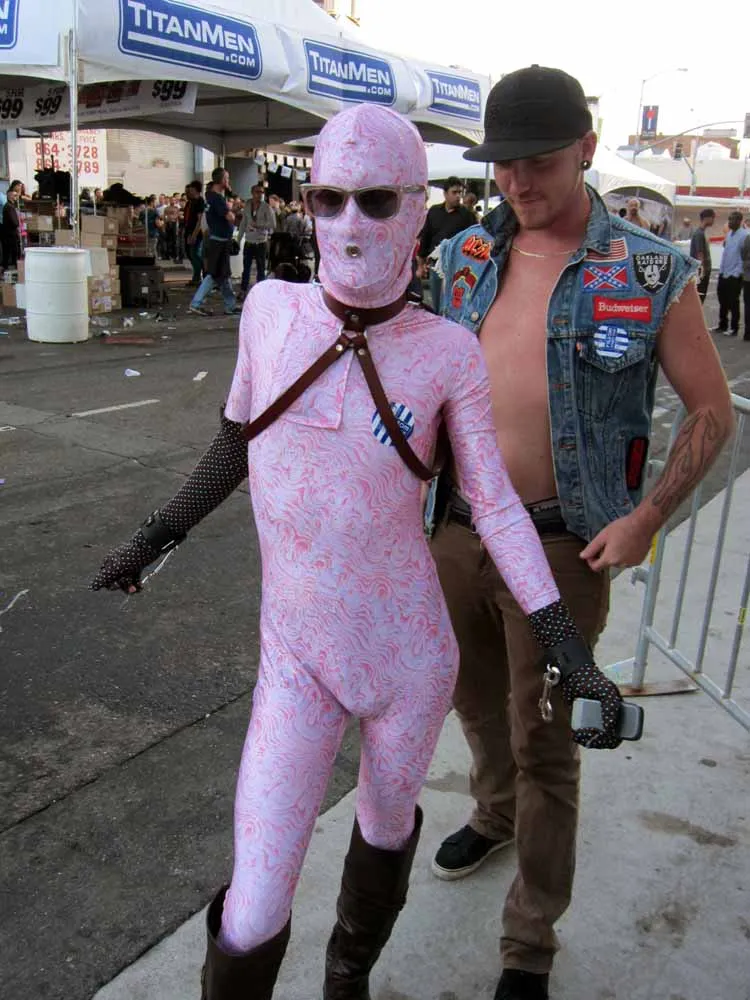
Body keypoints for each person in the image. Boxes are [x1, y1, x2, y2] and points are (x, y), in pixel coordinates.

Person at [91, 103, 627, 1000]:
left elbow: (495, 507)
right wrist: (157, 534)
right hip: (296, 657)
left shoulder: (446, 353)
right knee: (254, 904)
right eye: (327, 197)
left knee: (384, 833)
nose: (348, 223)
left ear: (417, 209)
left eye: (376, 200)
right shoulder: (268, 312)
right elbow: (234, 441)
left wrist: (569, 651)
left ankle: (349, 982)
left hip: (408, 660)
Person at [429, 65, 734, 1000]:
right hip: (458, 533)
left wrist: (647, 518)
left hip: (565, 547)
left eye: (540, 160)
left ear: (587, 151)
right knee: (477, 706)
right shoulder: (464, 256)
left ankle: (528, 943)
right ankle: (493, 814)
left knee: (548, 740)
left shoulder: (649, 269)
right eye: (503, 163)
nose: (518, 181)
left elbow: (713, 411)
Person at [417, 176, 476, 308]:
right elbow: (426, 237)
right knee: (437, 303)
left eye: (460, 192)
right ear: (445, 193)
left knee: (454, 304)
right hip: (436, 265)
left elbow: (473, 241)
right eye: (454, 192)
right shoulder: (434, 211)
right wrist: (420, 265)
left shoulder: (467, 215)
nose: (458, 196)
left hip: (458, 267)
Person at [189, 167, 240, 317]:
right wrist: (236, 212)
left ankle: (230, 305)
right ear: (222, 180)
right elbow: (229, 217)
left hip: (218, 239)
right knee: (214, 274)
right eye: (227, 178)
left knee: (223, 275)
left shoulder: (210, 196)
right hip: (219, 241)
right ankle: (196, 303)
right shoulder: (217, 199)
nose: (229, 181)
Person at [238, 184, 276, 296]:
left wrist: (259, 225)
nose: (260, 194)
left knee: (261, 268)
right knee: (246, 268)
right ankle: (243, 290)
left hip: (261, 241)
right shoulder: (247, 205)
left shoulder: (266, 207)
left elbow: (273, 224)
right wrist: (239, 238)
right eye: (257, 192)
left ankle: (260, 292)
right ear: (252, 193)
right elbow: (243, 222)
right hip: (249, 241)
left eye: (262, 192)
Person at [715, 211, 746, 336]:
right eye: (729, 219)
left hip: (734, 275)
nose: (730, 222)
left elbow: (743, 257)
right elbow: (726, 254)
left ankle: (734, 328)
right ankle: (722, 325)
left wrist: (736, 273)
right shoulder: (729, 235)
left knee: (733, 302)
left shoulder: (744, 235)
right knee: (722, 300)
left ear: (739, 221)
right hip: (724, 272)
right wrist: (721, 271)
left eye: (732, 219)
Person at [689, 208, 716, 303]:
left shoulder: (701, 233)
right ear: (707, 218)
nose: (713, 220)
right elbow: (700, 254)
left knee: (700, 297)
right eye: (713, 218)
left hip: (701, 273)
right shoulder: (699, 234)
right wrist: (702, 272)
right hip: (700, 273)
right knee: (699, 298)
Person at [183, 180, 206, 287]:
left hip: (196, 233)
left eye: (191, 190)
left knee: (195, 254)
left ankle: (199, 276)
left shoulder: (200, 202)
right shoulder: (190, 202)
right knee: (190, 254)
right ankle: (198, 275)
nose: (189, 192)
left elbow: (199, 220)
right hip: (189, 231)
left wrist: (194, 235)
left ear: (196, 190)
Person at [1, 181, 22, 270]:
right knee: (13, 251)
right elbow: (14, 222)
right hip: (10, 233)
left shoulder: (8, 206)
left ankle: (6, 268)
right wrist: (18, 224)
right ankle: (14, 268)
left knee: (7, 252)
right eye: (14, 196)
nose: (16, 198)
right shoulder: (9, 207)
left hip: (7, 232)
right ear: (10, 196)